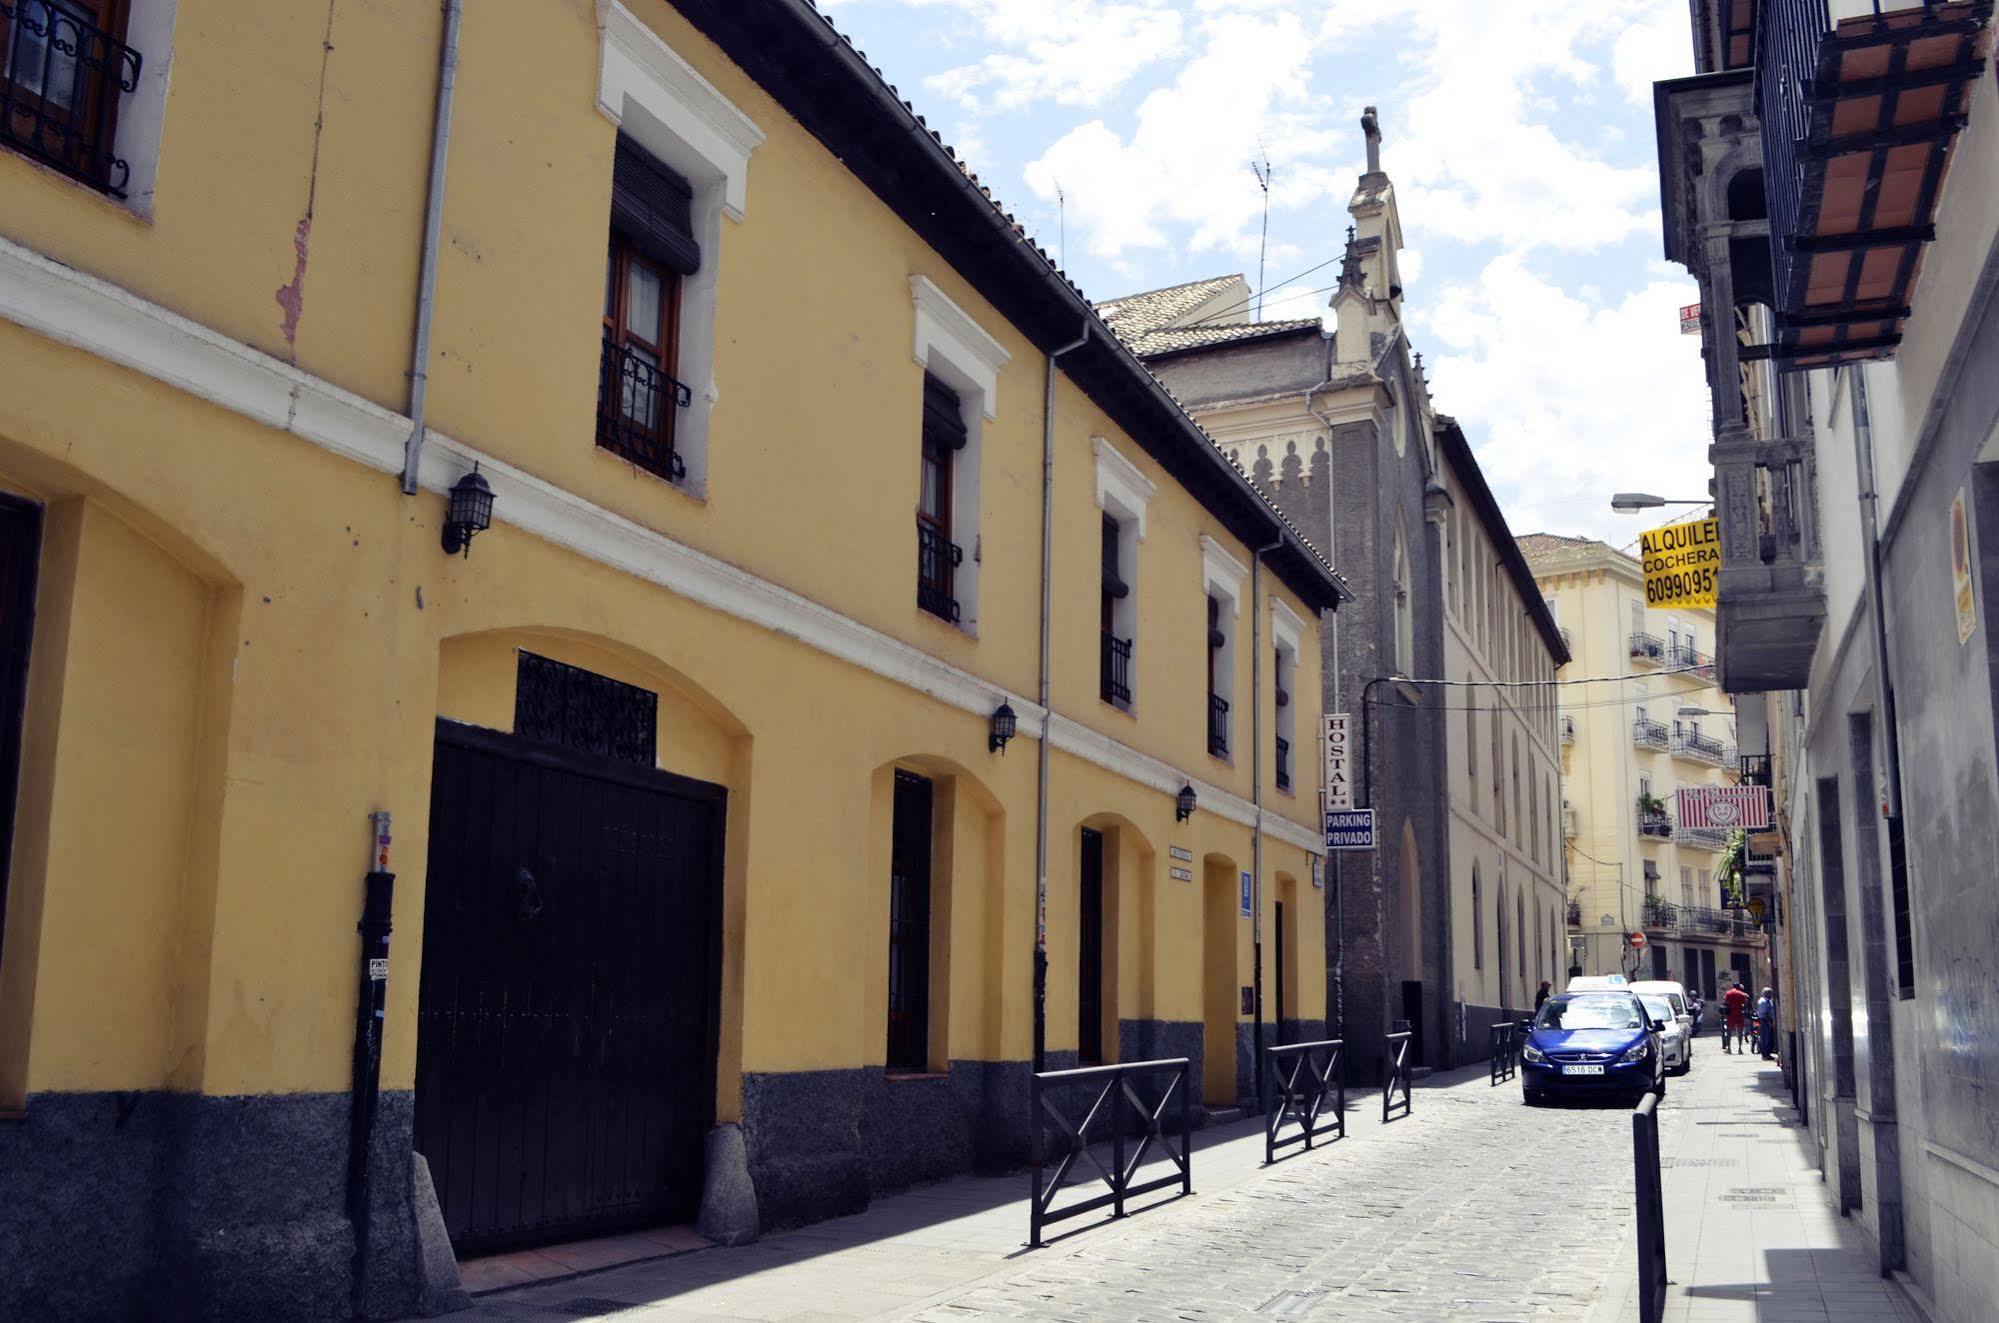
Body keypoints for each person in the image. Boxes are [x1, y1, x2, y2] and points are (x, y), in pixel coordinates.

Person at [1722, 981, 1750, 1053]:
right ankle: (1740, 1048)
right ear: (1739, 987)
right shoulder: (1741, 994)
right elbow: (1745, 1003)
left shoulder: (1728, 993)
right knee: (1740, 1031)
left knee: (1729, 1031)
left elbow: (1725, 1002)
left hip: (1730, 1014)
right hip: (1739, 1013)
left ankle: (1729, 1048)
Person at [1754, 987, 1777, 1059]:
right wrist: (1769, 1022)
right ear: (1766, 993)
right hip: (1765, 1021)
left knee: (1767, 1037)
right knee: (1765, 1038)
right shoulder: (1763, 1001)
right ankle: (1765, 1054)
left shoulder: (1767, 1001)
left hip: (1766, 1021)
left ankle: (1767, 1053)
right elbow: (1764, 1014)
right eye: (1770, 993)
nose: (1771, 995)